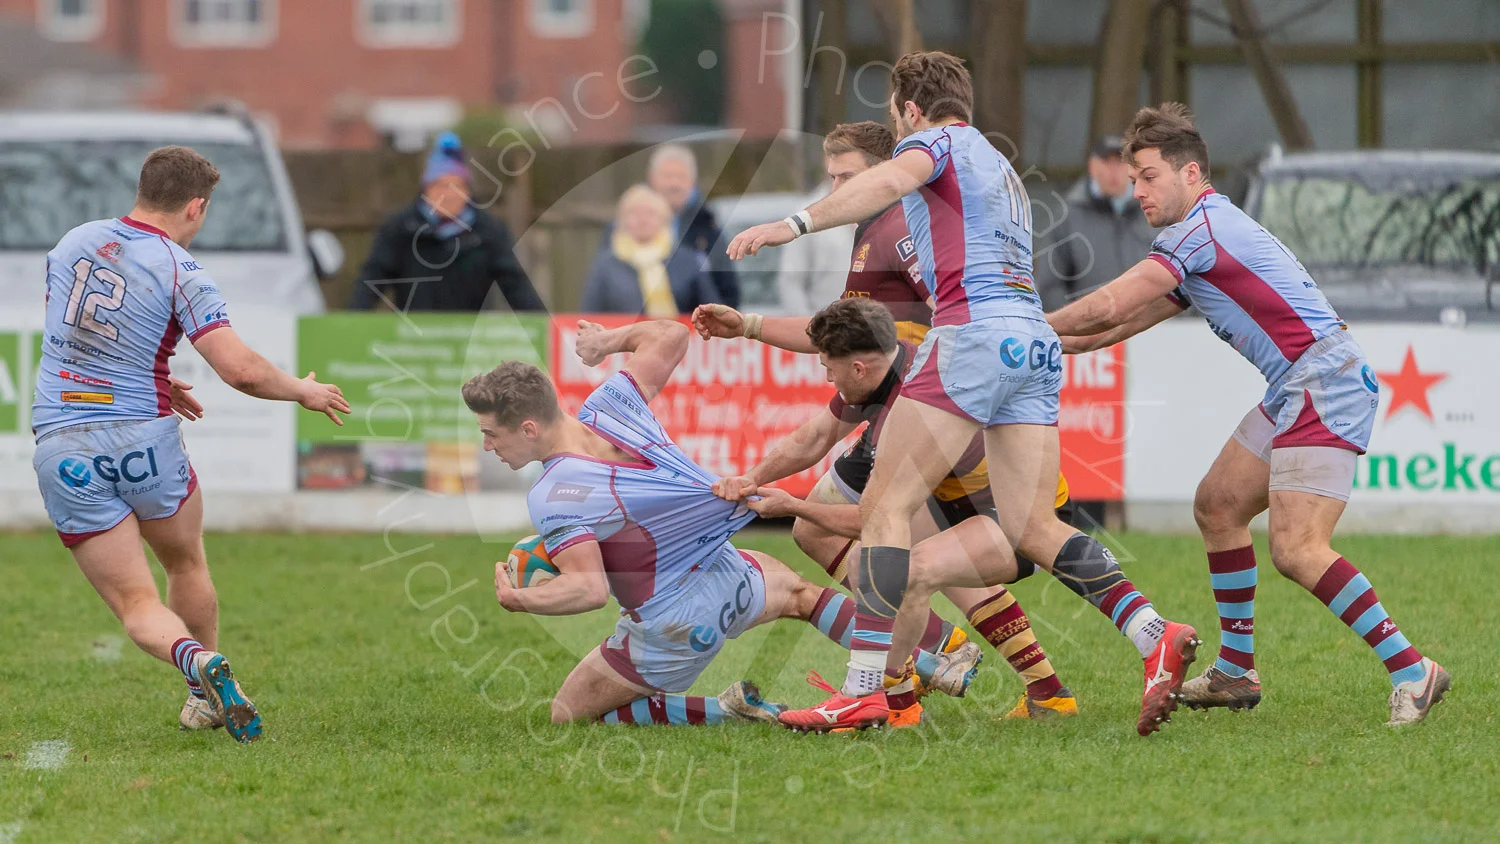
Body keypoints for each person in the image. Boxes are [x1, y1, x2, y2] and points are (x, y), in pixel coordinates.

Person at [727, 51, 1198, 736]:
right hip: (1031, 341)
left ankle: (866, 692)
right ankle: (1152, 631)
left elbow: (890, 178)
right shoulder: (997, 165)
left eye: (897, 115)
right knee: (1033, 528)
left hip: (973, 336)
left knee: (886, 508)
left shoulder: (934, 141)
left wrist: (792, 224)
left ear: (911, 110)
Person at [1047, 103, 1449, 727]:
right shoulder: (1201, 230)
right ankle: (1236, 671)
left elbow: (1110, 301)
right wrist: (1057, 343)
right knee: (1218, 505)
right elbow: (1125, 319)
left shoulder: (1196, 232)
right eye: (1133, 179)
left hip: (1326, 381)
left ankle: (1412, 669)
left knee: (1297, 548)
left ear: (1191, 172)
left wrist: (1026, 326)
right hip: (1299, 384)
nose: (1139, 191)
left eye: (1149, 176)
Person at [462, 319, 975, 726]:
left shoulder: (554, 493)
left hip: (674, 626)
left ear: (529, 427)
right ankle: (926, 662)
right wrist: (606, 342)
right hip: (729, 574)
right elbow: (670, 335)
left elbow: (589, 591)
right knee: (799, 594)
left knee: (567, 713)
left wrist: (521, 598)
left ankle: (731, 712)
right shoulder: (611, 402)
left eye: (491, 434)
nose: (488, 445)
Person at [30, 146, 351, 743]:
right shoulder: (182, 268)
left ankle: (194, 663)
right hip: (145, 438)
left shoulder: (73, 242)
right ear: (196, 207)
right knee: (185, 559)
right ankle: (203, 692)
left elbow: (75, 336)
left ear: (143, 188)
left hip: (64, 440)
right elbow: (241, 370)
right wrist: (302, 392)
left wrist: (152, 373)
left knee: (134, 601)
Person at [707, 298, 1081, 721]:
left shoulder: (913, 405)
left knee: (898, 562)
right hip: (937, 465)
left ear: (859, 368)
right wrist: (753, 477)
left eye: (830, 370)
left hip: (986, 497)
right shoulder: (889, 354)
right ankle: (955, 664)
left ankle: (908, 690)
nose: (827, 378)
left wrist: (791, 505)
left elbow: (878, 519)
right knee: (857, 549)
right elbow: (814, 437)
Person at [349, 132, 544, 313]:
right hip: (412, 341)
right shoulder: (399, 229)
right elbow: (371, 281)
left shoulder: (489, 231)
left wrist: (542, 325)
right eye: (440, 186)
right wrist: (349, 325)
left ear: (467, 191)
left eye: (456, 186)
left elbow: (516, 285)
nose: (448, 195)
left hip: (472, 339)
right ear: (426, 189)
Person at [1032, 136, 1159, 311]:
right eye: (1107, 162)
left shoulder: (1154, 211)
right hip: (1090, 331)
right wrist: (1076, 325)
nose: (1114, 171)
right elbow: (1050, 286)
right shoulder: (1067, 218)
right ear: (1092, 166)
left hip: (1155, 331)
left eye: (1120, 163)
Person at [580, 185, 719, 316]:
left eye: (650, 213)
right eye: (635, 213)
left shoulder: (687, 260)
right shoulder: (606, 265)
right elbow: (590, 315)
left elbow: (711, 309)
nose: (643, 220)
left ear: (664, 218)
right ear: (623, 220)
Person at [643, 143, 740, 308]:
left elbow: (727, 289)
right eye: (667, 176)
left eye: (681, 177)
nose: (674, 184)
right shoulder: (627, 225)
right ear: (652, 178)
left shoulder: (709, 227)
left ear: (692, 181)